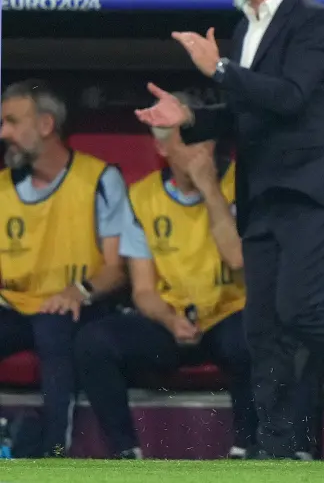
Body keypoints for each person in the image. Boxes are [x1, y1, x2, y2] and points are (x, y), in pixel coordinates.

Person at [133, 0, 324, 459]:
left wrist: (218, 69)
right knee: (262, 327)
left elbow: (289, 97)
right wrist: (189, 116)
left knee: (299, 310)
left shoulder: (313, 21)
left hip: (312, 191)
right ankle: (275, 447)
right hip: (264, 191)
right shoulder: (248, 27)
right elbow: (249, 110)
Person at [74, 94, 257, 460]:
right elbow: (142, 289)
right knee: (93, 342)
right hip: (171, 320)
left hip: (229, 313)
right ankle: (126, 453)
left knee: (251, 339)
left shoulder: (242, 183)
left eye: (206, 136)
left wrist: (208, 189)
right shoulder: (143, 197)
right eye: (189, 137)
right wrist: (170, 320)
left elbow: (239, 260)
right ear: (162, 146)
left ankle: (247, 449)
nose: (201, 148)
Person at [0, 81, 129, 457]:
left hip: (75, 305)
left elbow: (116, 268)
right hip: (12, 307)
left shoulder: (100, 179)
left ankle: (56, 453)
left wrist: (79, 291)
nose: (2, 133)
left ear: (45, 125)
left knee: (54, 328)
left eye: (11, 122)